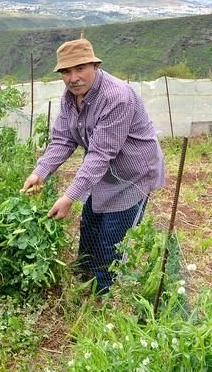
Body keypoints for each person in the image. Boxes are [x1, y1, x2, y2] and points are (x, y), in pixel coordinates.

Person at [21, 38, 165, 293]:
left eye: (80, 69)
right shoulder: (70, 97)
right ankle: (84, 274)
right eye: (66, 71)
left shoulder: (116, 97)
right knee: (90, 223)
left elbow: (100, 154)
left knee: (113, 237)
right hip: (104, 174)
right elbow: (63, 139)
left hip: (133, 176)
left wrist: (69, 197)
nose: (73, 77)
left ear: (95, 66)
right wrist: (39, 172)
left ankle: (103, 292)